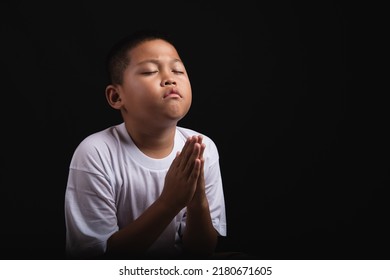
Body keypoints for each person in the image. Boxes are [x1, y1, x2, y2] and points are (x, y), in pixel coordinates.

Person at [64, 29, 227, 259]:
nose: (170, 78)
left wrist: (197, 199)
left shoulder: (202, 148)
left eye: (178, 70)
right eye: (150, 71)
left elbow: (201, 252)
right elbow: (97, 261)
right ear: (116, 97)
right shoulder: (96, 152)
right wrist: (170, 202)